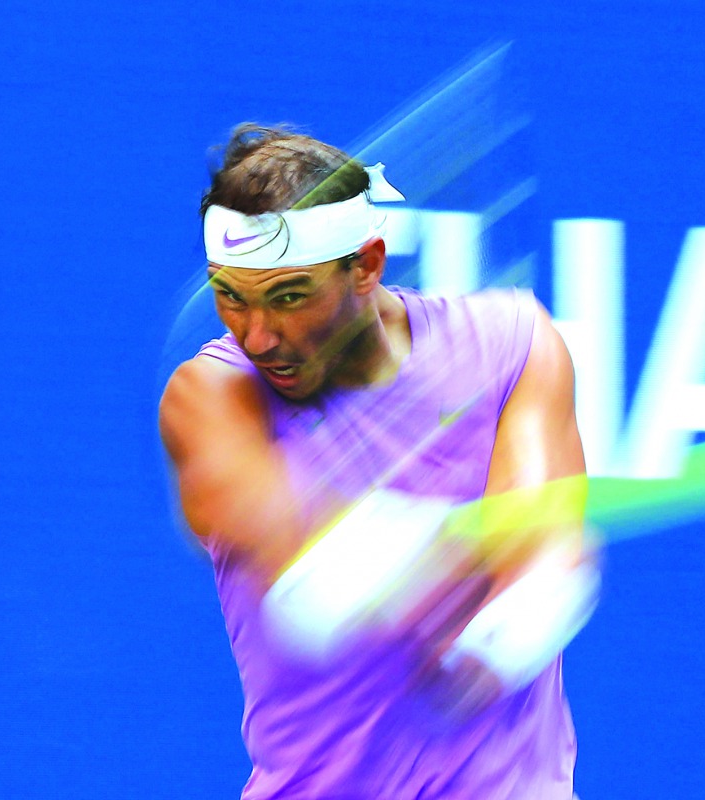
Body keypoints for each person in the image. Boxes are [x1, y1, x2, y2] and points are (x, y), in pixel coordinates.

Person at [159, 124, 597, 799]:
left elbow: (546, 551)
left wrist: (508, 628)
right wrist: (409, 565)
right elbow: (292, 545)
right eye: (230, 295)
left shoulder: (515, 342)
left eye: (289, 296)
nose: (256, 335)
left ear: (365, 264)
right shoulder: (208, 394)